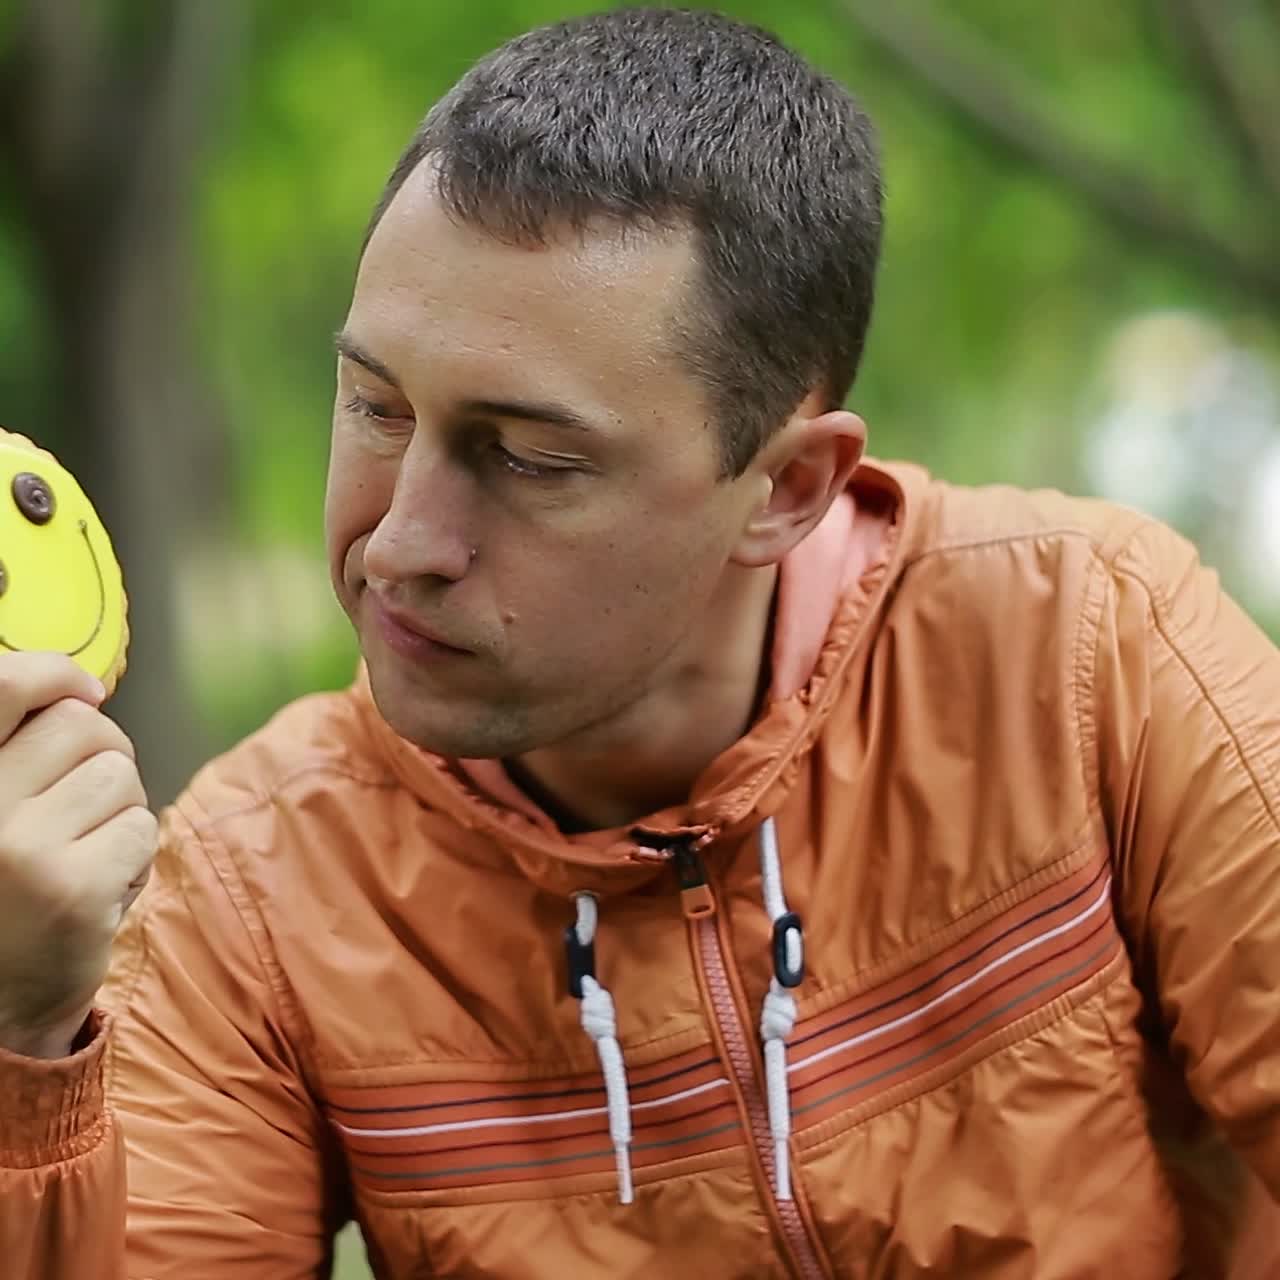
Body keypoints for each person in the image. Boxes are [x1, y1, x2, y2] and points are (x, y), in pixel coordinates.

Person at [2, 8, 1278, 1277]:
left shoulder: (1086, 648)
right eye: (376, 405)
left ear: (784, 488)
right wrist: (28, 1046)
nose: (399, 540)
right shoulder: (261, 879)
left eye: (530, 457)